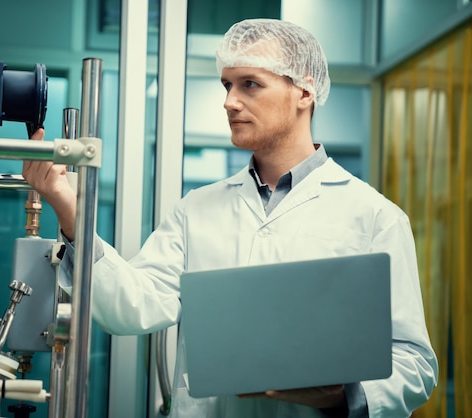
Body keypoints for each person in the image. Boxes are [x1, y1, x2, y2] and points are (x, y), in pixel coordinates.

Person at [23, 18, 438, 418]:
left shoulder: (374, 217)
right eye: (227, 84)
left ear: (305, 92)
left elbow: (414, 364)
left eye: (250, 85)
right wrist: (69, 207)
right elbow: (130, 307)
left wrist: (339, 397)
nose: (229, 101)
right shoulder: (196, 210)